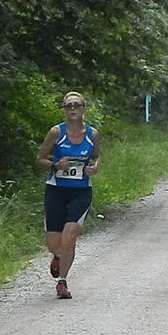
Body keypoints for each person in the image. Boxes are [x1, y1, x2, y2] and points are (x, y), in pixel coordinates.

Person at [36, 92, 100, 298]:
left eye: (77, 105)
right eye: (68, 106)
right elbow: (40, 159)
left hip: (81, 191)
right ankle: (57, 255)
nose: (72, 109)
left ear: (83, 109)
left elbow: (95, 158)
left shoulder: (92, 134)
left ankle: (62, 282)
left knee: (70, 236)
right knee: (54, 244)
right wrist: (55, 164)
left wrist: (93, 167)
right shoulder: (56, 132)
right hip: (56, 190)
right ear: (64, 110)